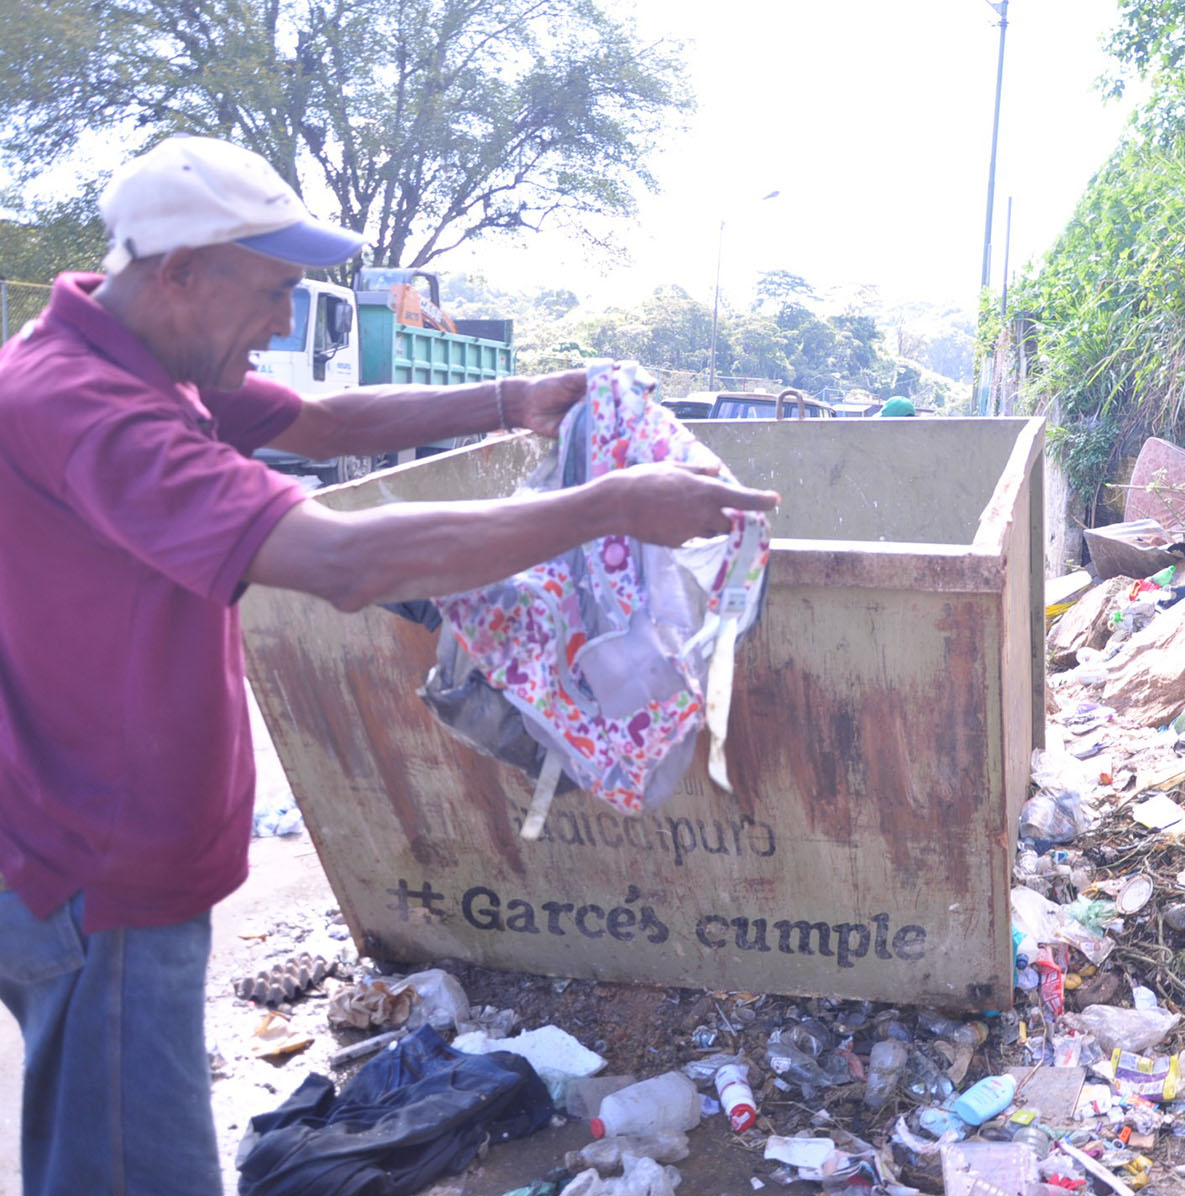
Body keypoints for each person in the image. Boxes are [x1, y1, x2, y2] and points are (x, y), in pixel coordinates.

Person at [0, 136, 779, 1196]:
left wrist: (511, 400)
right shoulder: (95, 412)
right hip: (101, 874)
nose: (285, 323)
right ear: (181, 271)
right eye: (274, 292)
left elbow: (322, 419)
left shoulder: (130, 357)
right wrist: (605, 506)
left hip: (90, 845)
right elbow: (344, 557)